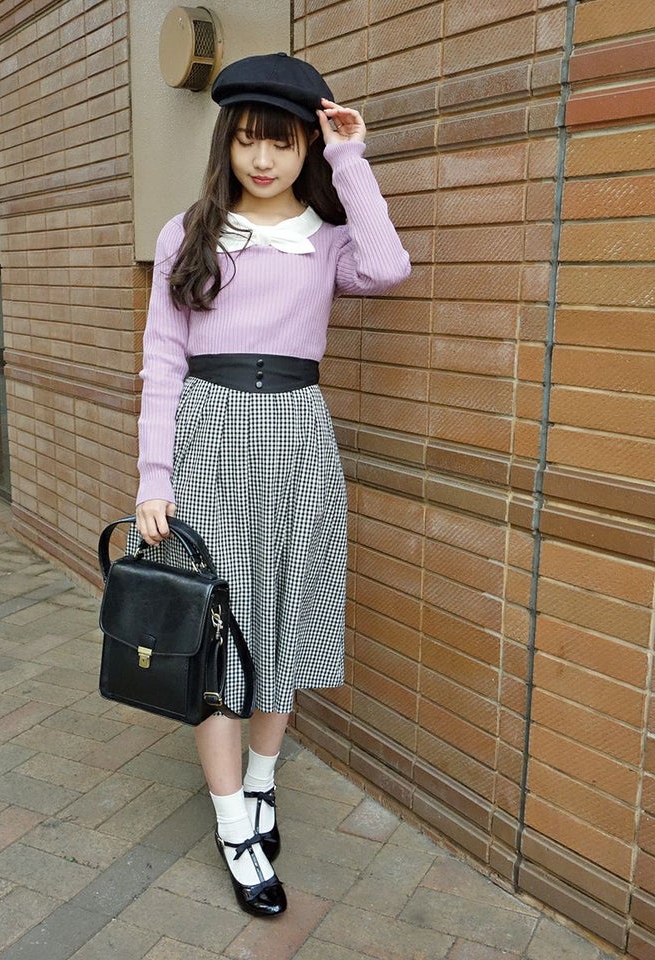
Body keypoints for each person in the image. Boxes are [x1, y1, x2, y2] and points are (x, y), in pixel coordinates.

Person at [133, 53, 411, 918]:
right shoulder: (187, 234)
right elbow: (162, 359)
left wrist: (350, 156)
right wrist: (153, 477)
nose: (263, 159)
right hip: (209, 437)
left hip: (297, 438)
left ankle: (261, 784)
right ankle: (232, 825)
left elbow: (390, 267)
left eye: (283, 143)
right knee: (217, 631)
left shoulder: (326, 240)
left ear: (305, 149)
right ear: (226, 143)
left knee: (282, 615)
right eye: (249, 140)